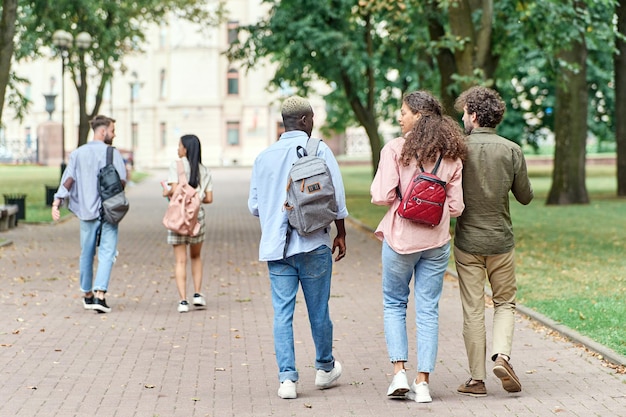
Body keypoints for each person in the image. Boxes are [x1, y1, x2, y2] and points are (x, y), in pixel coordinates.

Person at [248, 96, 348, 400]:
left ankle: (287, 380)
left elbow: (254, 206)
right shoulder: (319, 149)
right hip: (314, 241)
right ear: (304, 120)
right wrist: (340, 234)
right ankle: (324, 368)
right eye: (313, 117)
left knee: (282, 313)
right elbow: (337, 199)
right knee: (319, 311)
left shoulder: (263, 157)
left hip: (277, 249)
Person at [370, 91, 467, 403]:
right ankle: (423, 382)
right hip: (436, 242)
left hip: (401, 241)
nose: (400, 117)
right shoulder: (451, 154)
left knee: (394, 304)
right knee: (428, 310)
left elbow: (381, 196)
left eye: (403, 112)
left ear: (418, 116)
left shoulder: (397, 150)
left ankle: (399, 373)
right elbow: (456, 207)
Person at [453, 86, 534, 397]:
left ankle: (476, 379)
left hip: (467, 242)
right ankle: (502, 356)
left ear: (474, 115)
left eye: (464, 113)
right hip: (501, 240)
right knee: (504, 302)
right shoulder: (511, 150)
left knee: (473, 308)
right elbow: (525, 197)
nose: (462, 118)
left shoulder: (457, 149)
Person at [51, 115, 126, 314]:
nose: (114, 134)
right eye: (112, 130)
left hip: (86, 212)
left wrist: (57, 201)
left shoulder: (77, 153)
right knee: (107, 252)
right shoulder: (112, 153)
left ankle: (87, 294)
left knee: (86, 253)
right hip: (109, 210)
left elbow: (68, 180)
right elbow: (123, 180)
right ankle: (100, 295)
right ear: (103, 131)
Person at [162, 134, 213, 313]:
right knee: (196, 257)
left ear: (186, 149)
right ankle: (198, 294)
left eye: (179, 145)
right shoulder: (204, 170)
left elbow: (175, 191)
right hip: (196, 218)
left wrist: (165, 192)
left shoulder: (176, 166)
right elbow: (209, 198)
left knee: (180, 260)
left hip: (178, 218)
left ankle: (183, 301)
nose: (178, 149)